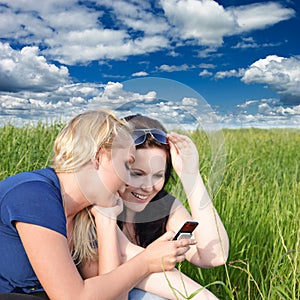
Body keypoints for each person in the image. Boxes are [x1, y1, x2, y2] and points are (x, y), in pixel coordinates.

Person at [0, 110, 196, 300]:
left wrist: (107, 221)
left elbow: (114, 297)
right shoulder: (34, 194)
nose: (128, 181)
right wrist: (145, 262)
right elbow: (72, 296)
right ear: (98, 157)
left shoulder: (83, 214)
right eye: (127, 165)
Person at [72, 114, 229, 299]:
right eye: (137, 173)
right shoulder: (97, 208)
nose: (148, 187)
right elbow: (119, 268)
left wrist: (191, 176)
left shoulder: (162, 206)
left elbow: (215, 256)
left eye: (157, 175)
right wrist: (203, 296)